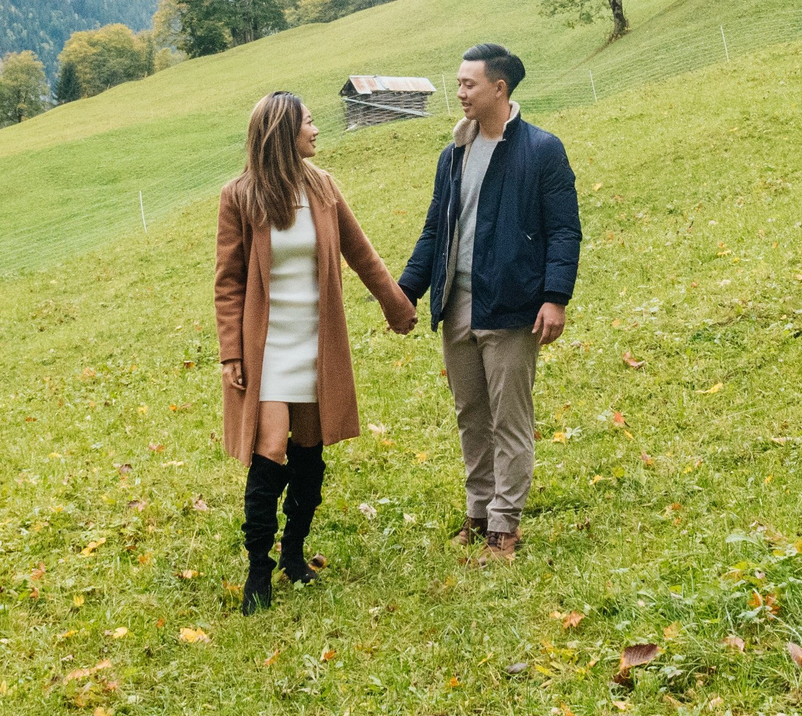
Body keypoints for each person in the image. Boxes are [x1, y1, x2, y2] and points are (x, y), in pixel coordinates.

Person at [215, 91, 416, 613]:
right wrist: (231, 352)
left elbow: (361, 253)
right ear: (283, 132)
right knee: (271, 447)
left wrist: (396, 306)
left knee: (309, 450)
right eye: (309, 122)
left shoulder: (324, 188)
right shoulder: (240, 197)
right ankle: (258, 568)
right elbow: (228, 282)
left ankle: (293, 554)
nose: (316, 130)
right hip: (267, 348)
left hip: (315, 342)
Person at [397, 43, 580, 561]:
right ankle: (478, 513)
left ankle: (505, 526)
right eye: (458, 83)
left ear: (499, 88)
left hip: (512, 304)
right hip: (456, 302)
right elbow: (435, 230)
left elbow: (564, 230)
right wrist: (405, 292)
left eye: (468, 84)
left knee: (509, 419)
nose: (459, 92)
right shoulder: (453, 154)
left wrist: (555, 297)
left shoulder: (542, 150)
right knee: (471, 415)